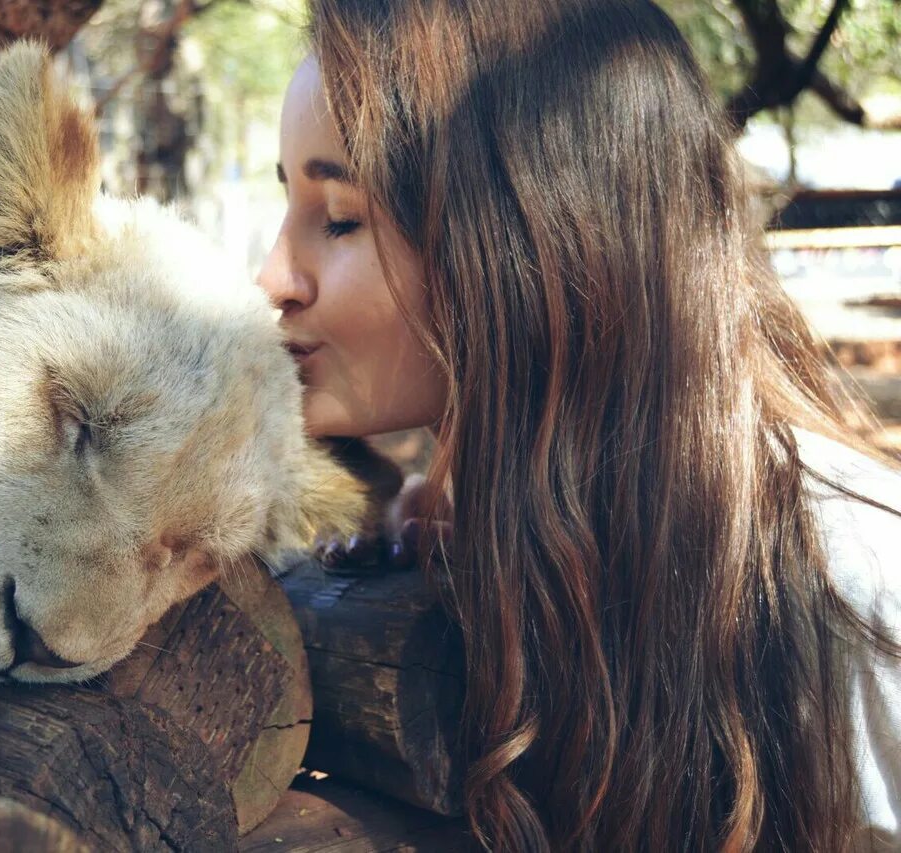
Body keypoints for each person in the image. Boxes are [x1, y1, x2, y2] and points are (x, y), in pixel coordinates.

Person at [256, 0, 901, 849]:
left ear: (528, 234)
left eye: (339, 217)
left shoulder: (840, 577)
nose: (272, 276)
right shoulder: (476, 528)